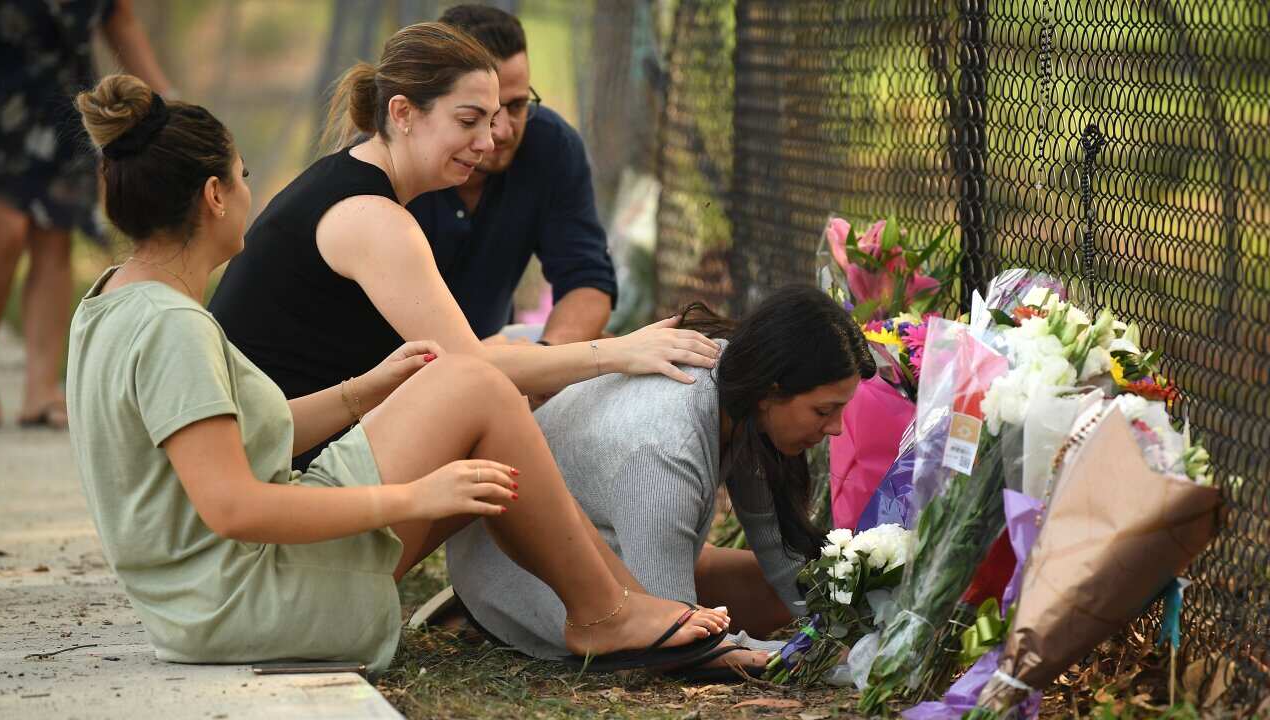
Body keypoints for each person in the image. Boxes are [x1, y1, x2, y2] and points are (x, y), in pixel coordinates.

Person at [66, 73, 733, 675]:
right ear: (214, 195)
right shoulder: (172, 328)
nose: (249, 192)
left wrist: (367, 390)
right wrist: (413, 498)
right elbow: (234, 505)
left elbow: (231, 439)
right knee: (475, 385)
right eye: (241, 177)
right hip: (247, 601)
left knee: (465, 388)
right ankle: (607, 612)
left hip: (206, 602)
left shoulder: (112, 306)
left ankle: (616, 605)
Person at [207, 22, 717, 470]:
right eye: (469, 121)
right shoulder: (374, 218)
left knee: (504, 371)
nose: (490, 141)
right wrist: (620, 352)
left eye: (495, 118)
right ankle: (600, 581)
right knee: (488, 401)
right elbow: (471, 366)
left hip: (280, 444)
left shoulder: (358, 181)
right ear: (403, 113)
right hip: (277, 468)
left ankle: (595, 575)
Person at [448, 285, 877, 679]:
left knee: (784, 590)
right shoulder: (665, 449)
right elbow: (674, 639)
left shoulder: (733, 377)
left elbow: (779, 552)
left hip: (581, 545)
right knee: (695, 634)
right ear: (772, 389)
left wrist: (849, 629)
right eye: (824, 411)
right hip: (514, 583)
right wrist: (810, 660)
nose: (837, 428)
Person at [0, 0, 171, 428]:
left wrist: (165, 98)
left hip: (62, 98)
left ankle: (40, 388)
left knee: (55, 233)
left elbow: (118, 19)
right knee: (4, 235)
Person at [407, 4, 615, 343]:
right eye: (477, 114)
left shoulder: (552, 145)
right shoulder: (389, 163)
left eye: (517, 106)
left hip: (492, 364)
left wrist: (544, 362)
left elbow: (586, 278)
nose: (501, 131)